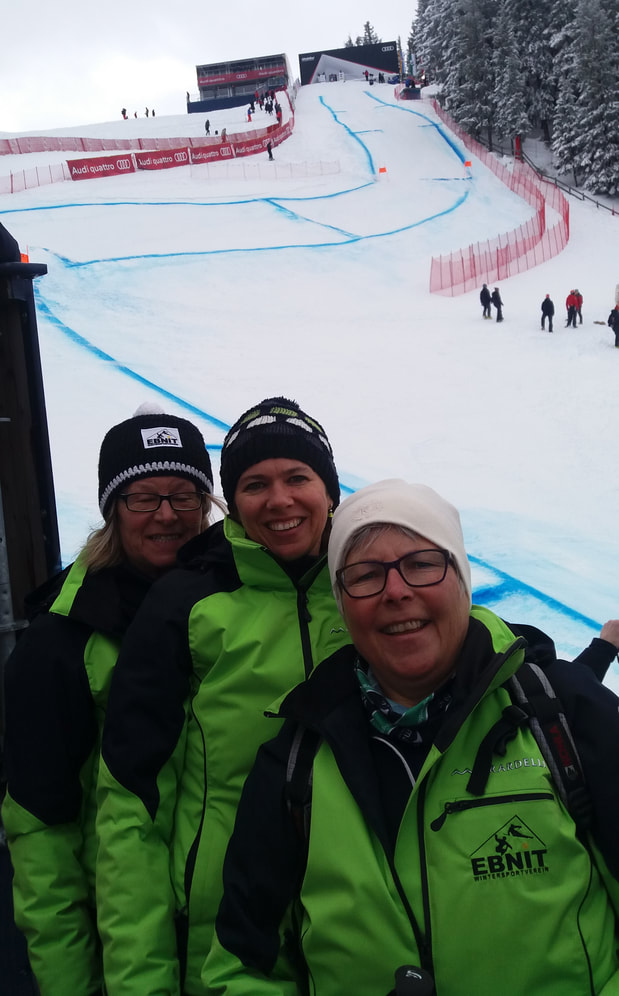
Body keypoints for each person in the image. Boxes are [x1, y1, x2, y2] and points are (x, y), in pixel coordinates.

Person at [205, 479, 619, 996]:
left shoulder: (562, 711)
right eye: (365, 575)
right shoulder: (298, 756)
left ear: (462, 579)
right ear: (342, 603)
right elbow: (242, 964)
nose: (396, 591)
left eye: (422, 564)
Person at [95, 397, 350, 996]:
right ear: (231, 502)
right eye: (255, 484)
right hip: (221, 939)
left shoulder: (367, 585)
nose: (279, 500)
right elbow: (131, 806)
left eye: (298, 477)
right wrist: (142, 981)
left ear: (330, 491)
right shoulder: (184, 604)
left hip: (354, 923)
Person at [2, 405, 218, 996]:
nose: (167, 514)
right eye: (143, 497)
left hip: (234, 940)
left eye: (184, 495)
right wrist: (71, 983)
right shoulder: (61, 642)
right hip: (126, 944)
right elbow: (41, 832)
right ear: (112, 510)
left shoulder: (240, 608)